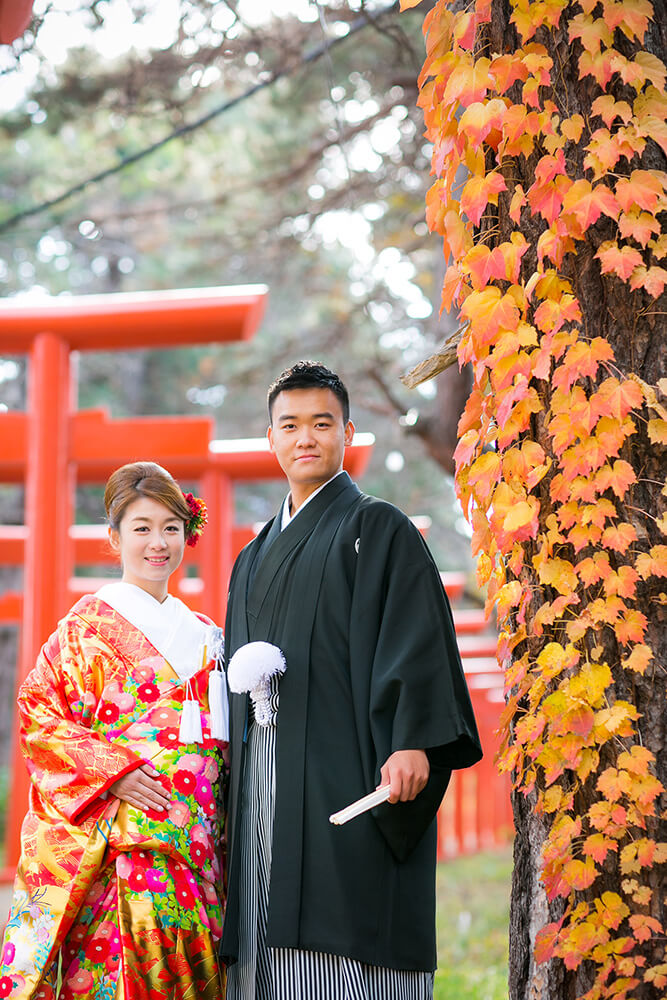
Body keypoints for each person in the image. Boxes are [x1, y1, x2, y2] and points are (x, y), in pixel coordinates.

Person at [221, 362, 483, 1000]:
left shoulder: (378, 530)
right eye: (290, 425)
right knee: (262, 920)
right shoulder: (250, 558)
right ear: (271, 437)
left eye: (321, 423)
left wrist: (412, 740)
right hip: (264, 778)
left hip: (350, 774)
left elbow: (414, 640)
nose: (305, 437)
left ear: (348, 432)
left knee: (346, 928)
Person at [0, 462, 229, 1000]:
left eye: (171, 528)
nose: (158, 543)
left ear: (187, 534)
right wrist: (113, 774)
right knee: (121, 970)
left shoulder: (207, 635)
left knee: (195, 973)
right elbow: (38, 713)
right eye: (142, 528)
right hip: (122, 835)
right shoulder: (85, 629)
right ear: (114, 536)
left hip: (198, 837)